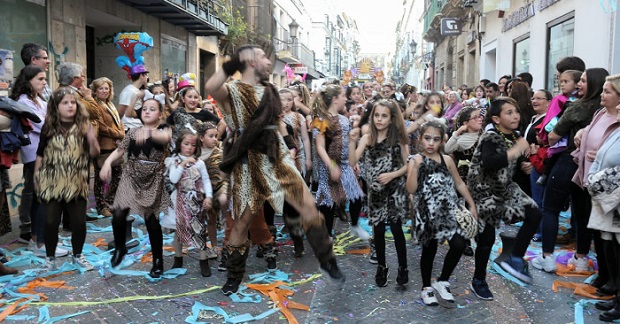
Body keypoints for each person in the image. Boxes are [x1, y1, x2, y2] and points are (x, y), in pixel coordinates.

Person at [205, 44, 344, 295]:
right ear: (250, 62)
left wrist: (290, 145)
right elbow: (210, 88)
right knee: (242, 222)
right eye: (263, 59)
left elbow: (277, 123)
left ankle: (328, 260)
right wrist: (232, 62)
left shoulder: (270, 90)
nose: (270, 63)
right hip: (248, 162)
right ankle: (234, 275)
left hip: (277, 157)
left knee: (308, 207)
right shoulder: (234, 90)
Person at [531, 68, 609, 274]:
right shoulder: (603, 112)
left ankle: (547, 257)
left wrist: (551, 136)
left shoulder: (577, 107)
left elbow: (553, 136)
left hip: (568, 161)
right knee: (582, 213)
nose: (579, 85)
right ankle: (581, 258)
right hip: (592, 167)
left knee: (551, 208)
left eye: (583, 81)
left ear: (593, 83)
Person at [467, 97, 542, 298]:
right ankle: (479, 279)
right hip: (484, 192)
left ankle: (515, 257)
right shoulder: (490, 137)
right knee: (486, 239)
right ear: (496, 119)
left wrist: (526, 163)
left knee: (534, 214)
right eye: (509, 112)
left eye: (516, 111)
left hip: (505, 188)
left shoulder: (515, 135)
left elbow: (513, 165)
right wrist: (516, 151)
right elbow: (490, 162)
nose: (515, 115)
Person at [407, 121, 478, 305]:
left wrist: (471, 204)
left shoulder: (447, 160)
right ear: (421, 139)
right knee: (429, 250)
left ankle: (442, 280)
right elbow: (411, 189)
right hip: (427, 213)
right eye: (427, 138)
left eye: (436, 139)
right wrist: (414, 169)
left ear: (442, 141)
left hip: (449, 211)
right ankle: (426, 287)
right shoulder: (415, 160)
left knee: (459, 244)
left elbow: (459, 183)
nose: (431, 143)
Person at [100, 98, 172, 278]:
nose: (147, 111)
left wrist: (148, 132)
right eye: (145, 109)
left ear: (160, 114)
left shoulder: (164, 129)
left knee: (152, 221)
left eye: (152, 109)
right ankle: (120, 248)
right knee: (118, 215)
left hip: (152, 179)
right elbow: (119, 151)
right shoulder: (132, 132)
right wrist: (107, 163)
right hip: (130, 175)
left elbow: (165, 138)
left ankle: (157, 261)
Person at [35, 87, 100, 271]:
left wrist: (92, 139)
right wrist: (36, 178)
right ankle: (50, 258)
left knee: (79, 222)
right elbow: (40, 154)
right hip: (52, 181)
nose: (70, 106)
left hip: (76, 181)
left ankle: (78, 255)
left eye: (73, 102)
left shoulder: (83, 126)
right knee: (50, 222)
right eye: (65, 103)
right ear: (56, 106)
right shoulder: (49, 127)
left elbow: (94, 153)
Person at [349, 99, 410, 287]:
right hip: (375, 191)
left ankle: (403, 267)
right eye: (376, 115)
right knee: (379, 230)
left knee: (397, 227)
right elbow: (352, 161)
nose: (379, 119)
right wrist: (351, 142)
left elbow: (408, 165)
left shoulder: (398, 138)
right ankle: (382, 267)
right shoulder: (368, 138)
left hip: (395, 190)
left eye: (384, 116)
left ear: (392, 119)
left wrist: (392, 174)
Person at [11, 66, 70, 258]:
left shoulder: (39, 99)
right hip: (36, 153)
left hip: (47, 151)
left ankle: (37, 240)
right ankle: (41, 243)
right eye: (40, 79)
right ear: (28, 81)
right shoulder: (23, 102)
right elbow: (46, 124)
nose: (44, 82)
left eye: (45, 79)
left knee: (40, 199)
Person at [312, 84, 368, 240]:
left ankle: (355, 225)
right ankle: (327, 233)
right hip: (328, 165)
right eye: (343, 95)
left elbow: (349, 141)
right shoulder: (321, 120)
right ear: (335, 99)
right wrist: (331, 166)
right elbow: (320, 147)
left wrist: (353, 162)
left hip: (344, 163)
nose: (346, 98)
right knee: (328, 202)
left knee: (356, 195)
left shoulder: (344, 118)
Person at [585, 99, 620, 322]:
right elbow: (601, 156)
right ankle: (618, 297)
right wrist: (594, 178)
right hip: (609, 200)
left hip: (615, 198)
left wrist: (599, 180)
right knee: (613, 249)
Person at [164, 130, 213, 277]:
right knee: (179, 231)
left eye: (193, 145)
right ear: (179, 145)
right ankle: (178, 258)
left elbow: (206, 180)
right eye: (186, 144)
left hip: (196, 202)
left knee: (199, 230)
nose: (189, 148)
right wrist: (183, 164)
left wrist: (208, 196)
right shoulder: (174, 161)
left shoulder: (200, 163)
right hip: (179, 200)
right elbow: (173, 179)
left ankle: (203, 260)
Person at [536, 70, 582, 186]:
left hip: (571, 140)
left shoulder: (581, 100)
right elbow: (552, 116)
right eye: (560, 81)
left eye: (566, 81)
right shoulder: (559, 99)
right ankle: (545, 174)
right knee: (553, 156)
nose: (562, 84)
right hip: (558, 132)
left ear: (577, 83)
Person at [91, 77, 124, 218]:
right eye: (101, 88)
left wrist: (121, 134)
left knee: (118, 175)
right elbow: (101, 127)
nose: (104, 91)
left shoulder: (110, 104)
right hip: (102, 145)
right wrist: (118, 134)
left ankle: (109, 202)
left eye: (107, 88)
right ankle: (101, 206)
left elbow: (118, 123)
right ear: (95, 91)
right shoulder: (95, 105)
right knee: (100, 178)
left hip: (114, 145)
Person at [197, 122, 229, 264]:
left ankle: (228, 241)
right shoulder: (196, 155)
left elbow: (226, 171)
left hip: (221, 185)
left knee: (223, 200)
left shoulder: (220, 152)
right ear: (201, 138)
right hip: (206, 190)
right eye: (211, 136)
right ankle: (214, 246)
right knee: (210, 219)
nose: (215, 139)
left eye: (216, 136)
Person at [117, 64, 149, 130]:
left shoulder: (137, 90)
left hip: (138, 127)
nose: (147, 77)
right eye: (146, 75)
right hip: (129, 128)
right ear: (141, 76)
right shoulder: (128, 91)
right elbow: (120, 112)